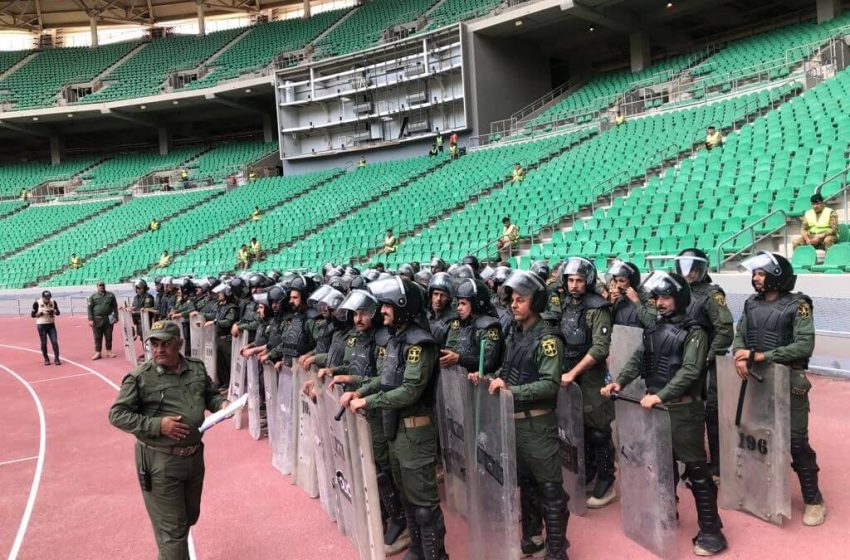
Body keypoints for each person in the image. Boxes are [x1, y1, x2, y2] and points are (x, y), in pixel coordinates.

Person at [601, 271, 728, 556]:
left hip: (683, 408)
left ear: (680, 297)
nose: (660, 303)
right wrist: (619, 380)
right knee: (662, 465)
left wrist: (661, 395)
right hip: (656, 406)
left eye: (666, 297)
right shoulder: (654, 327)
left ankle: (711, 529)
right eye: (656, 297)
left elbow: (691, 370)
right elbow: (639, 357)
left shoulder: (696, 331)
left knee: (695, 469)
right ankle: (667, 510)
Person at [341, 277, 448, 560]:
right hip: (397, 433)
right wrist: (360, 390)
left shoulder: (419, 344)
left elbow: (409, 392)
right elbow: (386, 379)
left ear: (403, 306)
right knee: (408, 501)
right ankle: (417, 549)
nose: (382, 311)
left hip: (415, 436)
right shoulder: (397, 340)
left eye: (387, 305)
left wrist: (368, 400)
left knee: (425, 507)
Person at [108, 320, 231, 560]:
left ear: (180, 344)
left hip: (194, 458)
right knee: (172, 532)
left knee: (188, 517)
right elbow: (116, 414)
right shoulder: (140, 377)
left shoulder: (195, 368)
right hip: (160, 462)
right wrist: (158, 425)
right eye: (154, 344)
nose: (159, 349)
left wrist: (223, 405)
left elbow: (210, 395)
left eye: (166, 343)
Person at [477, 269, 569, 559]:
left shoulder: (548, 339)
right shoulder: (516, 333)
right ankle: (533, 537)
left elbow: (550, 384)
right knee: (527, 485)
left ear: (536, 301)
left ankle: (557, 550)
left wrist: (509, 392)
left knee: (551, 490)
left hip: (538, 425)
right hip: (515, 423)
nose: (514, 305)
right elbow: (510, 371)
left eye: (521, 300)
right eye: (512, 300)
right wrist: (490, 376)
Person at [734, 251, 826, 526]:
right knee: (757, 438)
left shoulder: (799, 305)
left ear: (776, 276)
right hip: (756, 380)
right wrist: (740, 353)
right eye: (754, 274)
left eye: (760, 274)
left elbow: (803, 345)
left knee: (796, 442)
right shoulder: (751, 303)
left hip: (789, 380)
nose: (755, 278)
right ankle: (764, 493)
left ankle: (813, 500)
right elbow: (741, 333)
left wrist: (761, 356)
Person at [556, 257, 615, 509]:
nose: (575, 285)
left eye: (579, 280)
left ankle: (606, 480)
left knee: (599, 430)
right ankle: (588, 471)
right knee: (579, 429)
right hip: (569, 375)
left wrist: (574, 372)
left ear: (588, 281)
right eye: (571, 280)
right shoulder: (566, 306)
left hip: (591, 378)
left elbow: (600, 348)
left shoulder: (597, 308)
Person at [673, 249, 734, 478]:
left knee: (712, 413)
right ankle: (692, 461)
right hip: (683, 363)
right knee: (688, 412)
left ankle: (718, 466)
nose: (688, 272)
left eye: (693, 268)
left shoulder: (711, 295)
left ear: (701, 269)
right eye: (684, 267)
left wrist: (708, 356)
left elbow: (724, 331)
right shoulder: (678, 293)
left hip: (707, 365)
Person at [440, 279, 503, 375]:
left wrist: (460, 359)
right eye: (458, 303)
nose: (458, 308)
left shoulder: (488, 328)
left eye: (463, 304)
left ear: (476, 304)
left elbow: (488, 362)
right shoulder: (463, 323)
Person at [605, 260, 655, 328]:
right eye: (616, 281)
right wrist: (611, 304)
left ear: (632, 281)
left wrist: (636, 302)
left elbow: (652, 324)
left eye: (621, 281)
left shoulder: (650, 298)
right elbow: (605, 324)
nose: (617, 285)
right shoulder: (617, 298)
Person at [88, 280, 118, 360]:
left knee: (109, 336)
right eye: (100, 285)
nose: (102, 287)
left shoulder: (111, 295)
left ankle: (109, 351)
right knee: (97, 337)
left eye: (103, 285)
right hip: (97, 319)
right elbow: (89, 309)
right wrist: (90, 319)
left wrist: (116, 316)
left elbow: (115, 307)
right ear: (97, 287)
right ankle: (98, 352)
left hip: (108, 319)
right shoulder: (93, 297)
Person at [427, 272, 457, 347]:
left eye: (443, 295)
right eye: (435, 294)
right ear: (431, 295)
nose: (438, 299)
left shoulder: (453, 320)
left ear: (448, 298)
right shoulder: (424, 316)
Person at [32, 290, 61, 366]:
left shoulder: (53, 302)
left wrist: (54, 311)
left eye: (48, 298)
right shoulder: (37, 303)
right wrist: (39, 314)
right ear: (43, 297)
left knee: (54, 341)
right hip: (41, 325)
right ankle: (46, 359)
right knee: (44, 342)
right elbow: (33, 315)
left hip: (51, 324)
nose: (47, 300)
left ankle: (57, 358)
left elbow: (58, 312)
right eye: (46, 298)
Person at [129, 279, 156, 344]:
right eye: (136, 288)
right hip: (138, 322)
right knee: (142, 339)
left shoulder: (148, 297)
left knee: (148, 340)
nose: (136, 290)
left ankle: (150, 354)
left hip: (146, 322)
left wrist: (134, 312)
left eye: (138, 288)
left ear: (143, 288)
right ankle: (146, 353)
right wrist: (129, 309)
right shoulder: (136, 297)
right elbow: (134, 307)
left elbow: (146, 310)